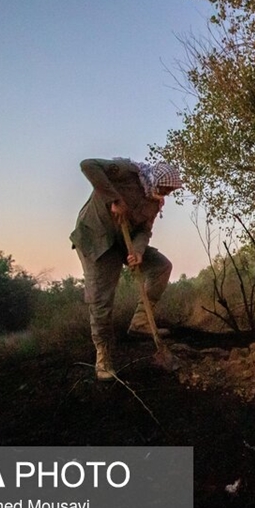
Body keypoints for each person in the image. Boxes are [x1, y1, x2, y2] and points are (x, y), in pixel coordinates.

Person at [70, 158, 182, 381]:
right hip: (96, 239)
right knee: (101, 299)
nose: (168, 194)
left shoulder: (154, 203)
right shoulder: (127, 172)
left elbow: (144, 232)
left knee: (162, 266)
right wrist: (114, 199)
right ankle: (103, 357)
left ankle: (141, 322)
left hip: (125, 242)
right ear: (157, 180)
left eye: (171, 191)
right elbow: (87, 165)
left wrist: (138, 252)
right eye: (167, 189)